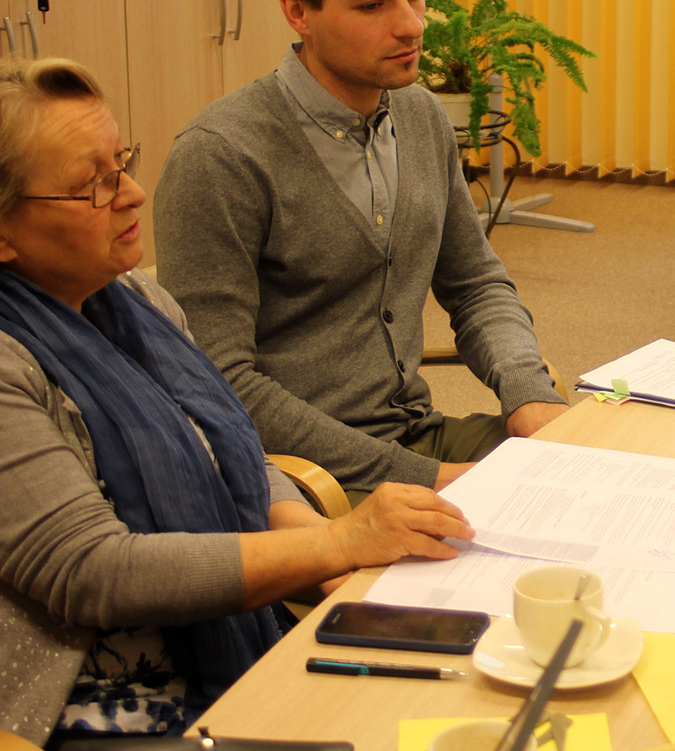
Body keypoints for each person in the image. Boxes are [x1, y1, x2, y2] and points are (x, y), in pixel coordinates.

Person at [0, 57, 473, 744]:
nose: (133, 193)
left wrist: (325, 547)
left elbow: (234, 451)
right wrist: (334, 543)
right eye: (91, 186)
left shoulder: (134, 298)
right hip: (105, 702)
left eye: (122, 162)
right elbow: (95, 572)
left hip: (224, 643)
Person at [154, 0, 567, 501]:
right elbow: (220, 381)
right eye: (373, 5)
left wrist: (528, 393)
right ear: (299, 12)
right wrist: (430, 480)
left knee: (607, 472)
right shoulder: (221, 156)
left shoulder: (421, 115)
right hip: (302, 479)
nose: (411, 25)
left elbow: (476, 284)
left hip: (416, 440)